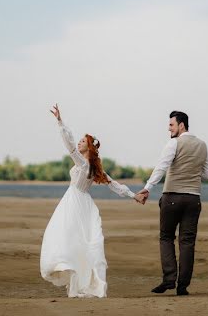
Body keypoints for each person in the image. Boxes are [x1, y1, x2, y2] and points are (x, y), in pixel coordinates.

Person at [40, 103, 142, 298]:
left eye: (82, 141)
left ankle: (75, 277)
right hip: (83, 203)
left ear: (88, 148)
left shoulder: (83, 163)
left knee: (70, 239)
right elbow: (115, 185)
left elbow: (68, 145)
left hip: (75, 202)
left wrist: (60, 122)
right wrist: (133, 196)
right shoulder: (94, 169)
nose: (78, 143)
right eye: (79, 141)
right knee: (79, 241)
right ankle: (77, 280)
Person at [135, 110, 208, 296]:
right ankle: (183, 286)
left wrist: (148, 188)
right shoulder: (203, 145)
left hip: (172, 197)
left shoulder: (174, 143)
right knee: (187, 242)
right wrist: (192, 170)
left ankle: (169, 279)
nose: (168, 128)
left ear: (181, 125)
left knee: (166, 237)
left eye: (171, 125)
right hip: (193, 199)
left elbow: (161, 166)